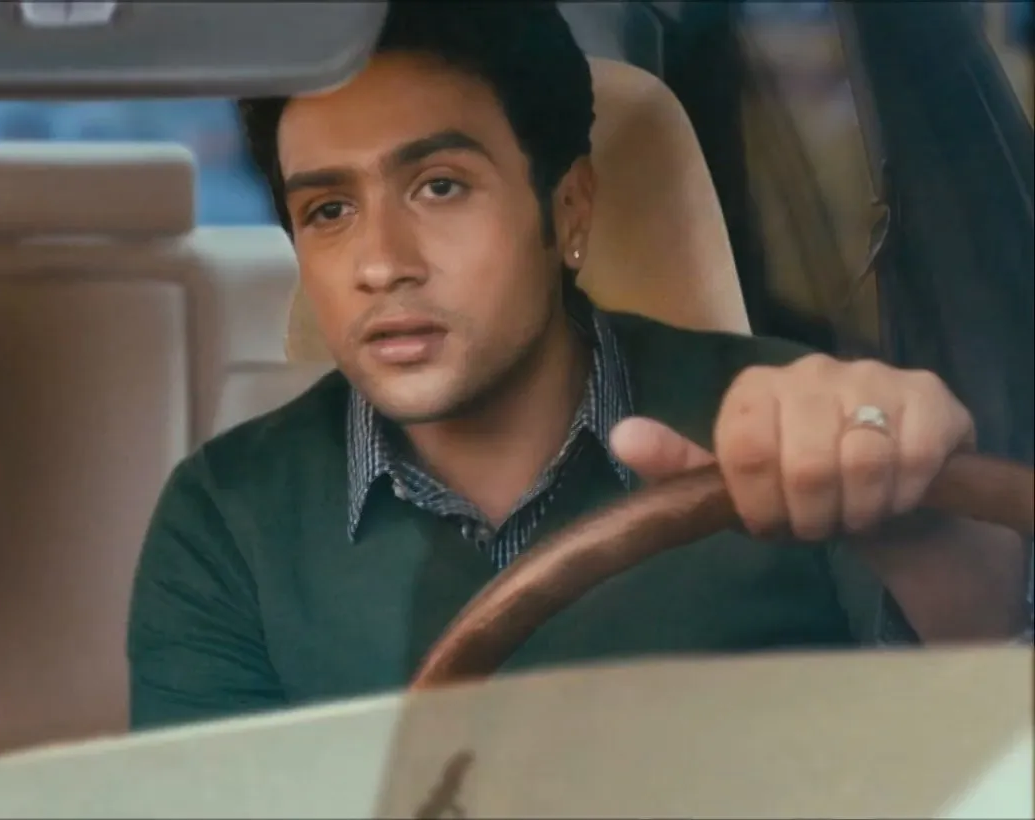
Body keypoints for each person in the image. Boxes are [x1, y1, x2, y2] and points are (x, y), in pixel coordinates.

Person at [126, 2, 1032, 731]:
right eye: (329, 211)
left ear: (567, 210)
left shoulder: (788, 431)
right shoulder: (227, 515)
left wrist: (928, 538)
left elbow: (968, 735)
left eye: (439, 186)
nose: (381, 263)